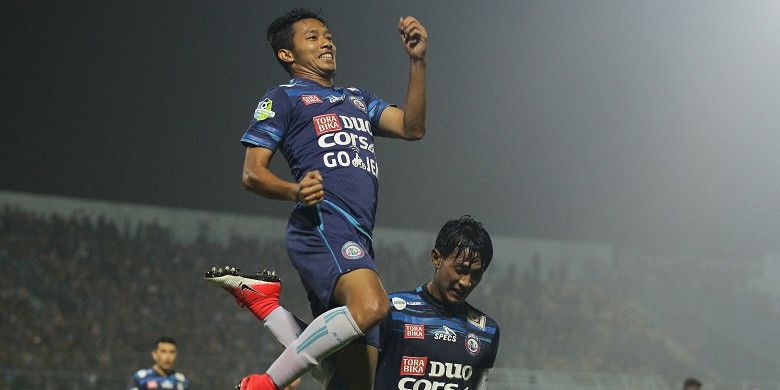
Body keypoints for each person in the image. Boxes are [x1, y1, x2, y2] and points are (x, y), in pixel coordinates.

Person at [210, 7, 428, 390]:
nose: (327, 41)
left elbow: (412, 128)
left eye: (327, 35)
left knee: (355, 384)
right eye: (312, 37)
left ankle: (267, 306)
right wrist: (295, 190)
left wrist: (417, 61)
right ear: (287, 55)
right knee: (373, 306)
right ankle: (266, 383)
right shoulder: (283, 98)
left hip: (358, 235)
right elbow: (252, 173)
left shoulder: (358, 98)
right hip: (322, 225)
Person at [206, 216, 499, 390]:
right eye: (460, 270)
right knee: (340, 373)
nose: (466, 282)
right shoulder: (392, 310)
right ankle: (267, 306)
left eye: (476, 275)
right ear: (437, 258)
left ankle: (266, 305)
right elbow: (336, 370)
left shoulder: (486, 332)